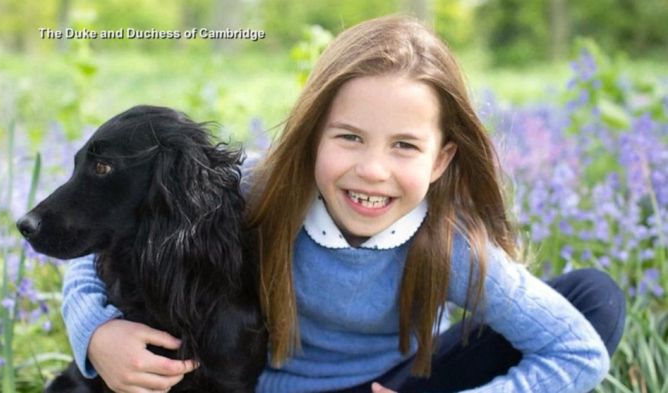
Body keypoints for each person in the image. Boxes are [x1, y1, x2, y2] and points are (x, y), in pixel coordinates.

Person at [60, 15, 626, 393]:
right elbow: (105, 232)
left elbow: (575, 350)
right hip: (253, 386)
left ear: (441, 160)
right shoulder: (259, 190)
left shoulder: (447, 242)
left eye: (405, 145)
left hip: (391, 386)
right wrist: (95, 335)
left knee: (592, 298)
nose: (372, 170)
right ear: (312, 138)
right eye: (349, 137)